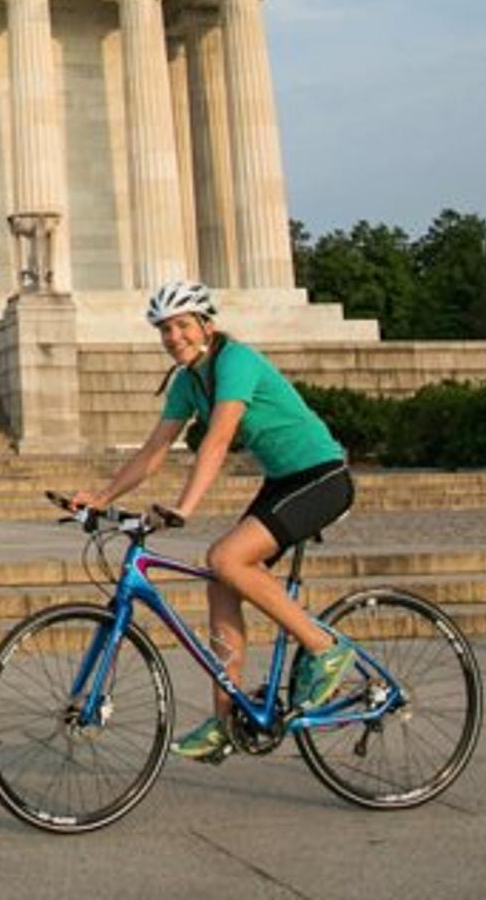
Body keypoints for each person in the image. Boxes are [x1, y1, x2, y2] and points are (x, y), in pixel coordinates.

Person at [69, 279, 357, 765]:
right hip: (284, 481)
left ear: (206, 325)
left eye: (182, 325)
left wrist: (184, 507)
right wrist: (101, 497)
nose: (173, 336)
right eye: (164, 329)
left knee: (225, 557)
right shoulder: (185, 382)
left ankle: (325, 648)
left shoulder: (236, 361)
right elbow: (154, 451)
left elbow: (218, 439)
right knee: (220, 582)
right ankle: (226, 720)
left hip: (322, 476)